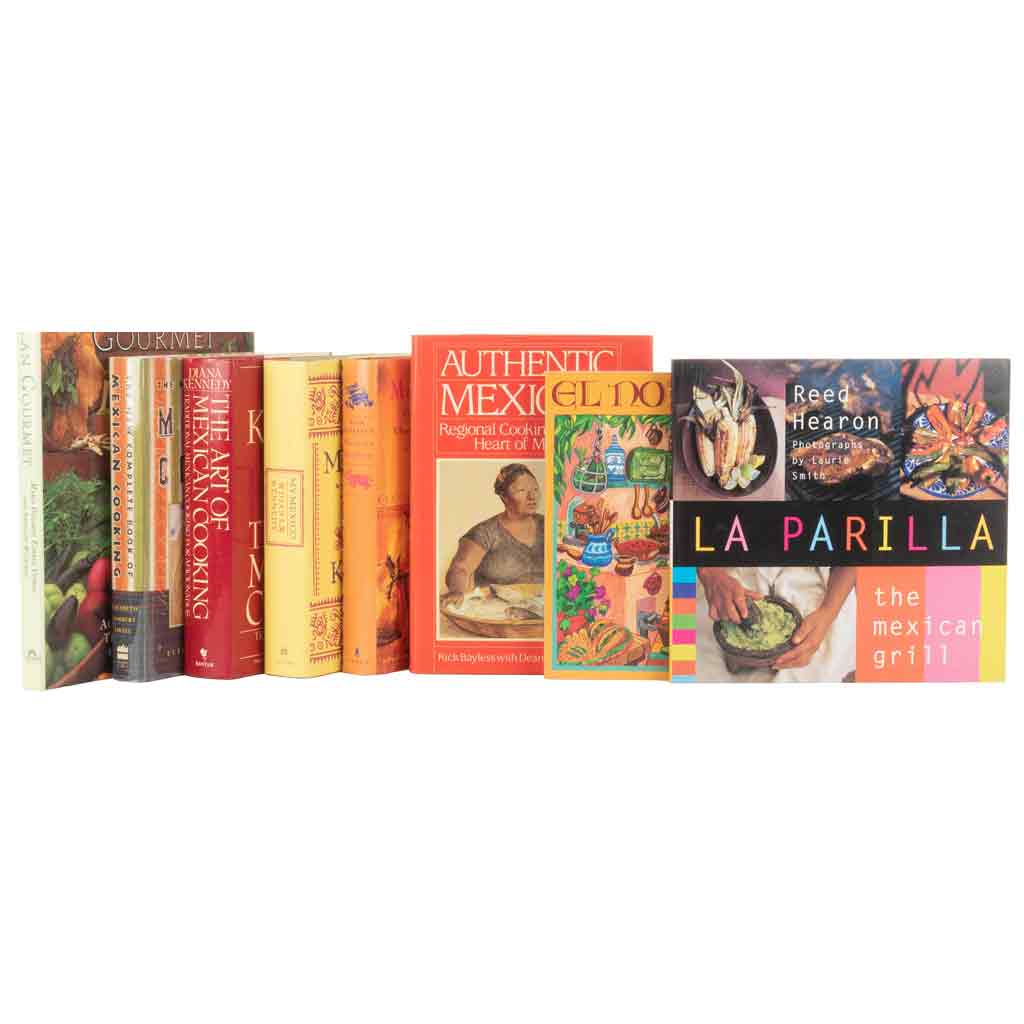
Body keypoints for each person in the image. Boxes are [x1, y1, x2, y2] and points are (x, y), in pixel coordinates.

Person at [696, 565, 857, 681]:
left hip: (816, 581)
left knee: (823, 664)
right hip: (728, 576)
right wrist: (710, 573)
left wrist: (827, 612)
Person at [445, 464, 544, 595]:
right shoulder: (485, 532)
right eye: (521, 491)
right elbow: (460, 569)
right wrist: (457, 591)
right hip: (495, 606)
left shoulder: (548, 526)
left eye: (535, 489)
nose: (532, 497)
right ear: (504, 497)